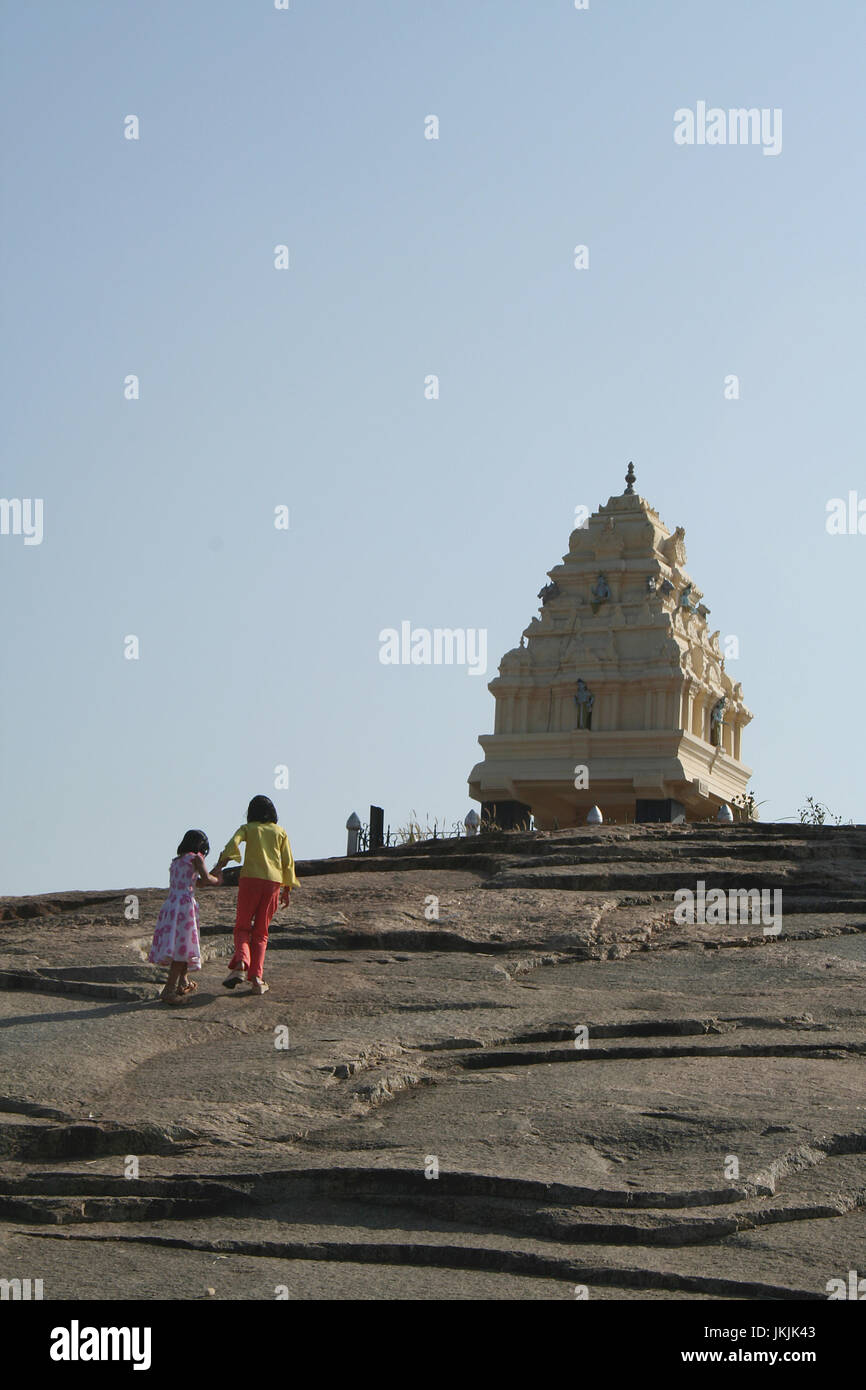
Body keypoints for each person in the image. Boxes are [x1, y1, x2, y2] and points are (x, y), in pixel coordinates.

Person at [213, 795, 299, 995]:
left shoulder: (248, 829)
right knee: (261, 932)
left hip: (250, 879)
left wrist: (219, 867)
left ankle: (242, 962)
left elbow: (231, 845)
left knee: (242, 926)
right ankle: (257, 980)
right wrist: (287, 889)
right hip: (272, 882)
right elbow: (288, 861)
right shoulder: (280, 832)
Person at [149, 830, 221, 1004]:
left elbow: (195, 882)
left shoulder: (176, 862)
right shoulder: (196, 858)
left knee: (180, 945)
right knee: (181, 949)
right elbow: (206, 879)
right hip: (184, 907)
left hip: (171, 905)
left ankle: (183, 981)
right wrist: (218, 875)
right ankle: (169, 990)